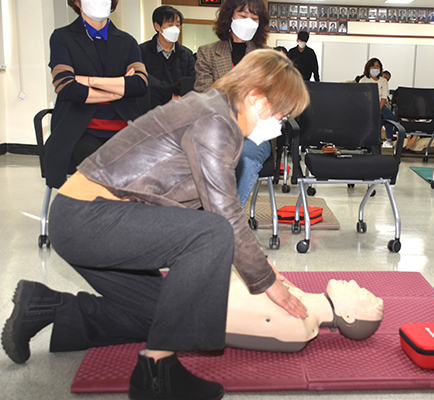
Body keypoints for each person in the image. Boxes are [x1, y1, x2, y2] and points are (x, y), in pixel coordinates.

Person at [2, 50, 310, 400]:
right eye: (281, 114)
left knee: (165, 314)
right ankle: (156, 373)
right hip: (88, 216)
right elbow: (223, 215)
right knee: (213, 231)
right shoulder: (216, 121)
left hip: (89, 218)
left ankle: (43, 306)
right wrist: (266, 281)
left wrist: (257, 266)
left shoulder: (213, 109)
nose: (280, 125)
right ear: (255, 97)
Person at [43, 0, 147, 190]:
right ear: (77, 2)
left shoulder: (127, 41)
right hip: (80, 130)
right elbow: (66, 87)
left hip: (124, 128)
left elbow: (139, 84)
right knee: (102, 164)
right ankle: (104, 215)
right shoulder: (62, 37)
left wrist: (90, 81)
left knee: (153, 162)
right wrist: (118, 88)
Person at [194, 0, 272, 207]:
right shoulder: (207, 53)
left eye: (254, 19)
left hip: (255, 135)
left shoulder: (266, 57)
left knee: (244, 159)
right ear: (229, 18)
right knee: (209, 159)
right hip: (218, 131)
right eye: (243, 16)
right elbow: (204, 95)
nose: (249, 22)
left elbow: (271, 101)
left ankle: (226, 219)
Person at [225, 274, 384, 352]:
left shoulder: (299, 325)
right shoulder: (298, 296)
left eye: (359, 293)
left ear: (348, 316)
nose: (354, 283)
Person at [139, 5, 195, 109]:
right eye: (170, 24)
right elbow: (142, 80)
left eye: (178, 25)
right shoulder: (142, 51)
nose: (175, 29)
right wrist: (168, 91)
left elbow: (191, 81)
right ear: (157, 26)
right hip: (149, 110)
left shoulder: (186, 54)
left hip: (179, 109)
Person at [359, 58, 403, 149]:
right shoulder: (363, 80)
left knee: (390, 116)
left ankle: (389, 138)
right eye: (373, 66)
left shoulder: (383, 81)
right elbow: (362, 97)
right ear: (368, 68)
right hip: (367, 106)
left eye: (377, 66)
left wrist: (378, 109)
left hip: (380, 105)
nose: (375, 68)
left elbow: (383, 97)